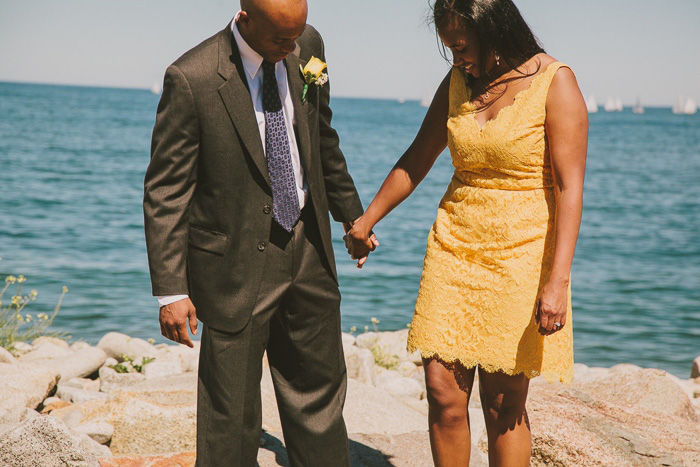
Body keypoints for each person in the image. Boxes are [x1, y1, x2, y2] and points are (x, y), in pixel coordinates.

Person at [344, 0, 588, 465]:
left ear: (496, 29)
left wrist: (556, 281)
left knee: (503, 404)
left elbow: (569, 188)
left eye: (463, 45)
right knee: (442, 393)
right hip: (454, 246)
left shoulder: (555, 82)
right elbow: (417, 157)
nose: (457, 58)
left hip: (522, 253)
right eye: (448, 47)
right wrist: (367, 219)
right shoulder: (458, 82)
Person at [143, 0, 375, 465]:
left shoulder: (308, 46)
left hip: (308, 247)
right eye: (279, 40)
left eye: (296, 37)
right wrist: (171, 290)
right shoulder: (192, 77)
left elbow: (322, 137)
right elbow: (167, 190)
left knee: (319, 396)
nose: (291, 48)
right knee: (231, 414)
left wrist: (352, 216)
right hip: (233, 263)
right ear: (244, 18)